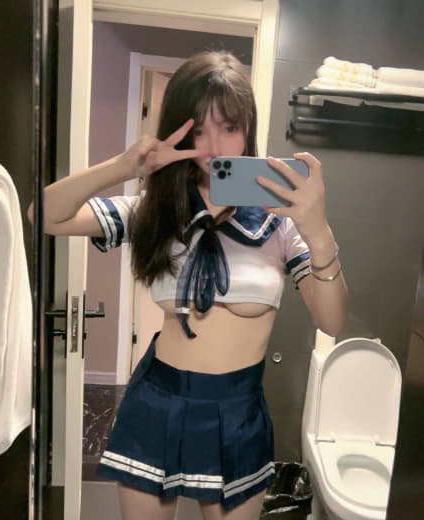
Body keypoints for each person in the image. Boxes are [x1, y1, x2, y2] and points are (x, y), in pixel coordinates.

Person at [28, 51, 348, 520]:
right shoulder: (153, 210)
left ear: (248, 128)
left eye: (229, 126)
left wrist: (317, 228)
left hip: (238, 413)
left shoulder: (280, 222)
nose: (214, 145)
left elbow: (332, 321)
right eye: (199, 130)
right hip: (157, 402)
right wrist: (124, 166)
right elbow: (43, 215)